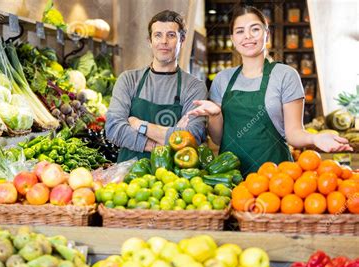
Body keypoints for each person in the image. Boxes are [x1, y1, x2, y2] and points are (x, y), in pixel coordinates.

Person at [183, 6, 352, 176]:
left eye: (255, 29)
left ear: (267, 34)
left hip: (278, 180)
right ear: (233, 39)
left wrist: (316, 138)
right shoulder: (222, 79)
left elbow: (294, 134)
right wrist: (215, 115)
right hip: (231, 178)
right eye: (240, 31)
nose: (247, 36)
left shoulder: (285, 75)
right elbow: (219, 139)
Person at [105, 10, 208, 162]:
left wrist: (140, 125)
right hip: (128, 176)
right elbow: (114, 129)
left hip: (174, 179)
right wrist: (161, 143)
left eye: (171, 35)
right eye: (158, 35)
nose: (164, 41)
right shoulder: (128, 80)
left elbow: (192, 137)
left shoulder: (194, 87)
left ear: (182, 40)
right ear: (150, 40)